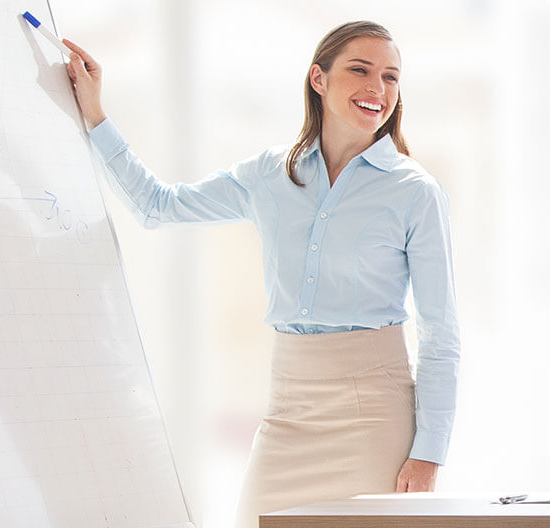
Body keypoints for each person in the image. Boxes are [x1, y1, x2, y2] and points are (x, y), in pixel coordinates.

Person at [62, 22, 461, 527]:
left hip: (374, 415)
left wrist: (429, 453)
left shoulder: (415, 192)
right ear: (319, 78)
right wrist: (96, 115)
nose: (377, 89)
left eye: (390, 77)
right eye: (360, 70)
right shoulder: (269, 175)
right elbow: (156, 206)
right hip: (288, 409)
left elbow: (440, 334)